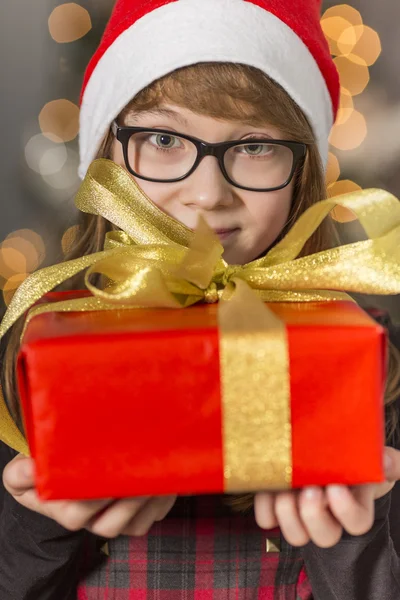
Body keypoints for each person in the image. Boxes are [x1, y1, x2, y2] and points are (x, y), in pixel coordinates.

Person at [0, 0, 400, 598]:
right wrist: (40, 522)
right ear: (105, 155)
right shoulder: (37, 341)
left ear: (304, 171)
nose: (208, 194)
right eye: (162, 137)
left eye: (256, 146)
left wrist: (350, 535)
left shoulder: (368, 357)